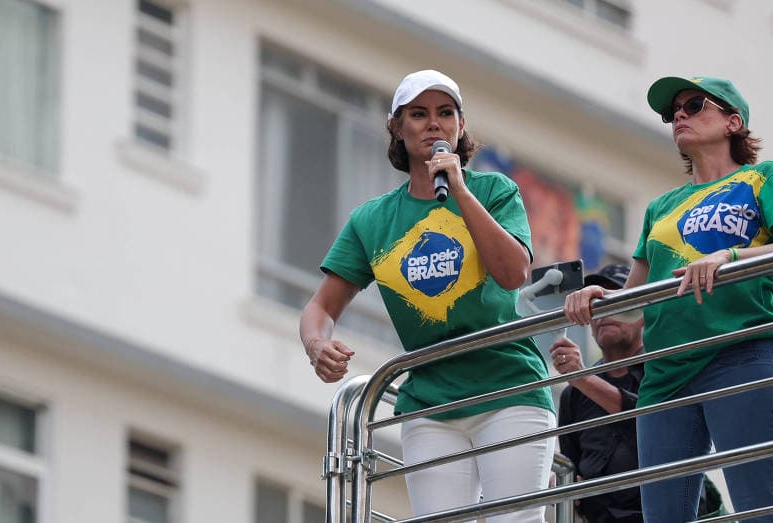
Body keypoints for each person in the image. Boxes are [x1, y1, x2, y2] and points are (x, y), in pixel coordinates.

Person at [300, 69, 556, 521]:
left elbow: (513, 272)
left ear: (460, 126)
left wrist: (458, 189)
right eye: (418, 114)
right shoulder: (372, 220)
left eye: (445, 113)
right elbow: (321, 306)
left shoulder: (494, 191)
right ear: (397, 128)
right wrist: (317, 344)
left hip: (510, 388)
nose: (433, 124)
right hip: (430, 402)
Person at [564, 76, 773, 521]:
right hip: (664, 373)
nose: (679, 115)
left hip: (738, 351)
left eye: (694, 105)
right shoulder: (661, 208)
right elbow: (634, 300)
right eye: (672, 111)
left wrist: (730, 255)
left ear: (733, 121)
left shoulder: (761, 178)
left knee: (759, 506)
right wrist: (599, 296)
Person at [551, 264, 725, 523]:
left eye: (615, 301)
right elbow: (570, 469)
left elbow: (659, 424)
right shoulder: (573, 395)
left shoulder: (668, 367)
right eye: (595, 307)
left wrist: (583, 378)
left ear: (641, 312)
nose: (604, 313)